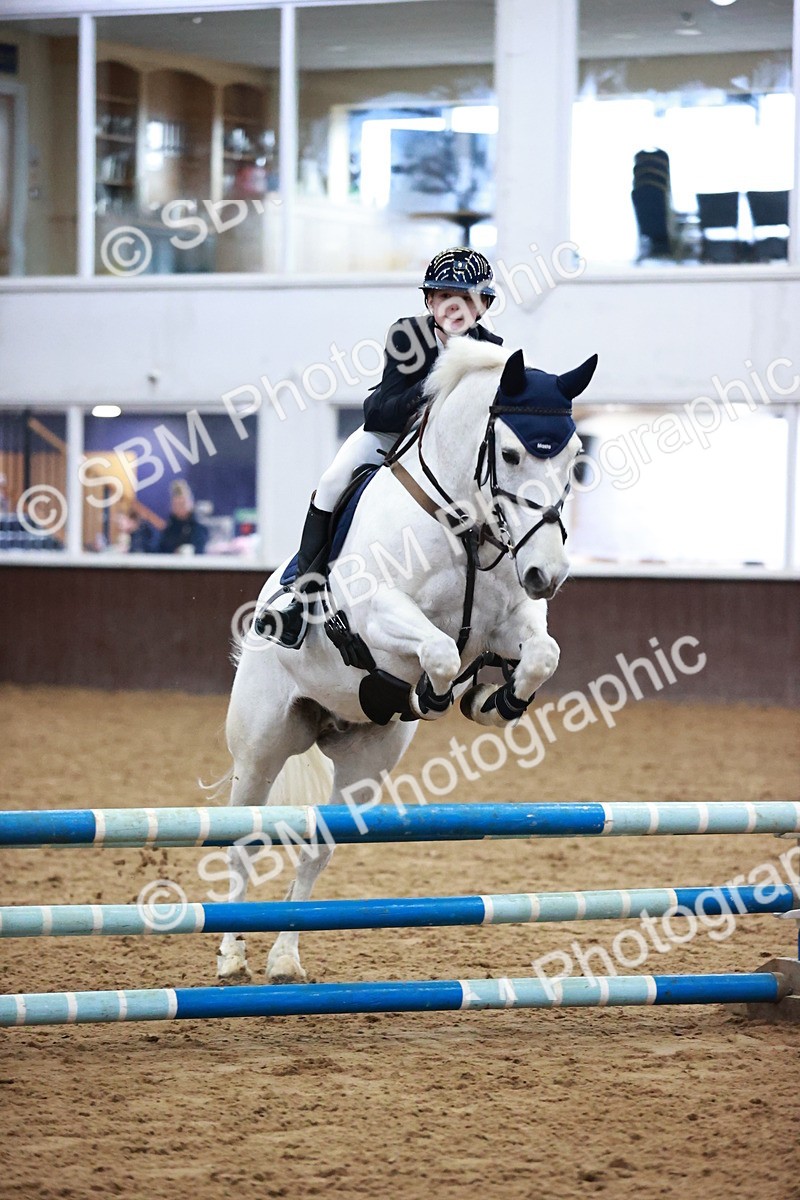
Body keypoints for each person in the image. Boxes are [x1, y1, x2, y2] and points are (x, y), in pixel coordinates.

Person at [256, 247, 502, 648]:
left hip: (451, 456)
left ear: (484, 305)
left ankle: (503, 608)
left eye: (468, 298)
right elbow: (381, 412)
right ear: (429, 301)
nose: (455, 308)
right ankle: (300, 600)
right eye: (444, 297)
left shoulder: (493, 350)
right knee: (333, 481)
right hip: (393, 437)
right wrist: (439, 384)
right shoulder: (408, 335)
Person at [158, 480, 209, 556]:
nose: (180, 508)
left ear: (190, 503)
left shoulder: (198, 528)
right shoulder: (169, 529)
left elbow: (200, 550)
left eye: (182, 504)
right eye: (177, 504)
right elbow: (160, 550)